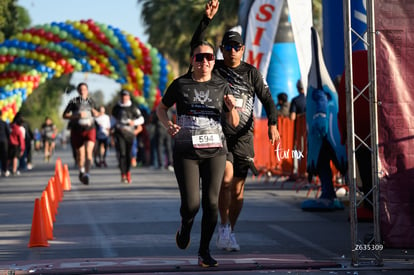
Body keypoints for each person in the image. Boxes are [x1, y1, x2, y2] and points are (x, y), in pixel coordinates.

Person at [192, 0, 280, 252]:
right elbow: (196, 46)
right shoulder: (214, 69)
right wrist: (206, 20)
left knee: (239, 190)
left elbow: (268, 99)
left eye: (237, 47)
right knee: (227, 181)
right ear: (222, 49)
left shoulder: (252, 73)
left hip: (244, 136)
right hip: (219, 134)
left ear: (243, 50)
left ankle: (229, 228)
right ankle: (223, 226)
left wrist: (273, 123)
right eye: (228, 47)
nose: (232, 51)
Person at [156, 40, 239, 267]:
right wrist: (167, 125)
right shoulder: (180, 84)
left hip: (215, 150)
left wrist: (232, 109)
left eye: (209, 57)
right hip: (186, 151)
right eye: (199, 57)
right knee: (192, 204)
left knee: (212, 202)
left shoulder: (222, 85)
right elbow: (161, 108)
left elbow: (234, 122)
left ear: (214, 61)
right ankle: (185, 225)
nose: (204, 61)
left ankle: (204, 252)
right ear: (192, 61)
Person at [62, 82, 99, 185]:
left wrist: (97, 113)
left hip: (90, 129)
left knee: (88, 152)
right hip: (77, 130)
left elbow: (98, 113)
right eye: (81, 89)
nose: (83, 91)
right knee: (80, 154)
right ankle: (81, 170)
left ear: (87, 91)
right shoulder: (73, 102)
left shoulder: (92, 101)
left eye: (84, 89)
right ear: (78, 91)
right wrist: (77, 116)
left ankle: (87, 174)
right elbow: (64, 115)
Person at [112, 90, 145, 184]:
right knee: (122, 154)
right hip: (119, 133)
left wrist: (133, 122)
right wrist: (110, 129)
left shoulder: (133, 107)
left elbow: (141, 119)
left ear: (129, 97)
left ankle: (128, 172)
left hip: (130, 134)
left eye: (126, 96)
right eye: (123, 96)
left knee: (128, 155)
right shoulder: (117, 108)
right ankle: (123, 174)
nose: (124, 98)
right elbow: (112, 120)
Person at [0, 110, 10, 177]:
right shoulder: (4, 123)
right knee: (4, 156)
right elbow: (8, 132)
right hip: (4, 141)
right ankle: (5, 170)